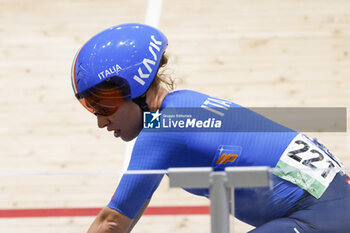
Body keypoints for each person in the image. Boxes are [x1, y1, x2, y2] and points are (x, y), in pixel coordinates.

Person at [71, 23, 350, 233]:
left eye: (104, 107)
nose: (100, 121)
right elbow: (129, 210)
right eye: (91, 108)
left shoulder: (163, 131)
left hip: (318, 217)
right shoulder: (184, 104)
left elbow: (111, 222)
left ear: (137, 90)